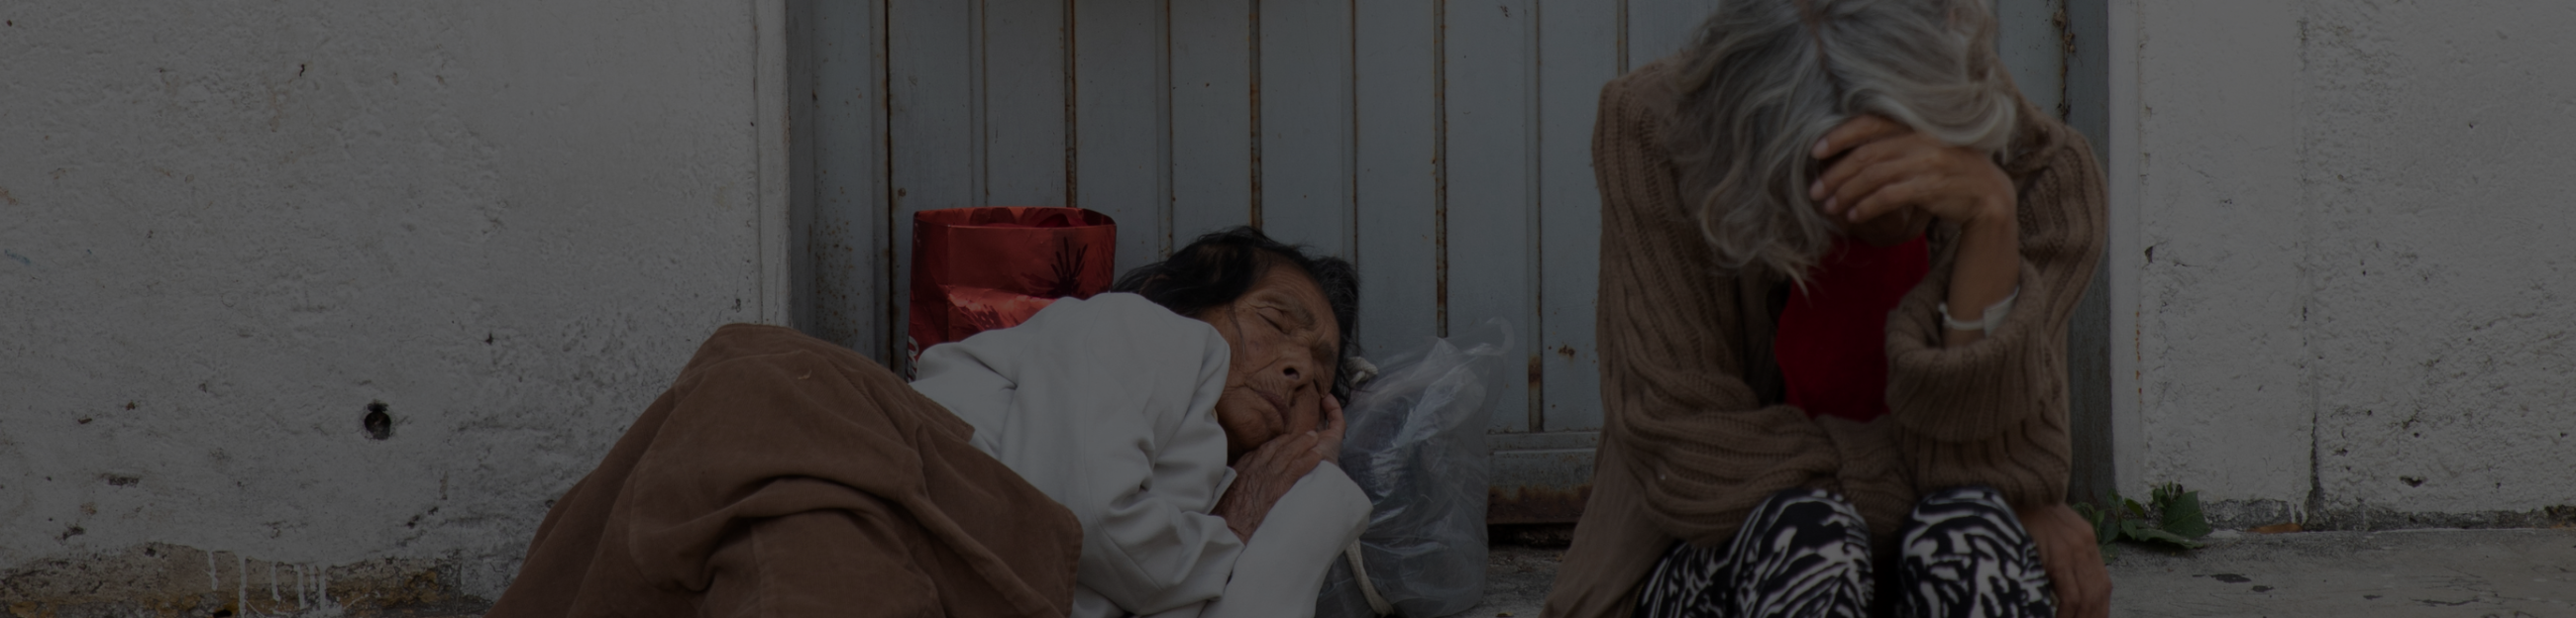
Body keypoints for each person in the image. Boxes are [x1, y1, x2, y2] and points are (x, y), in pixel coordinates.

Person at [1542, 0, 2111, 617]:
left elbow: (2004, 465)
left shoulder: (2037, 177)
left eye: (1899, 151)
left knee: (1971, 530)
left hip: (1921, 558)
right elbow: (1686, 451)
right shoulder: (1657, 129)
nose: (1878, 200)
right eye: (1830, 166)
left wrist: (1990, 218)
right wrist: (1978, 481)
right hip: (1722, 560)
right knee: (1813, 532)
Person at [485, 227, 1370, 618]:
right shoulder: (1146, 332)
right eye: (1278, 324)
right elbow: (1088, 511)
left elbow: (1095, 531)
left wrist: (1263, 500)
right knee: (779, 453)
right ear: (1186, 302)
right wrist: (1229, 535)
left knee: (751, 399)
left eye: (1319, 376)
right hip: (921, 488)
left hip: (955, 540)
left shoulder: (1225, 479)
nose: (1296, 368)